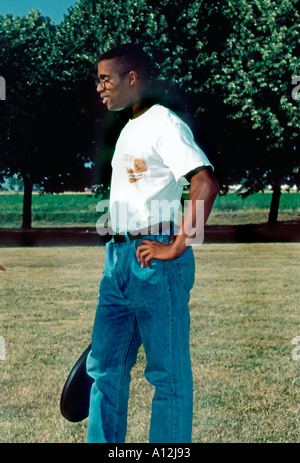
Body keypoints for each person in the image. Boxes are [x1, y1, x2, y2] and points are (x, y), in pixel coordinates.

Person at [86, 43, 219, 443]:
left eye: (105, 80)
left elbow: (204, 182)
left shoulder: (165, 124)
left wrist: (177, 245)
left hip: (155, 259)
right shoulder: (129, 127)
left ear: (132, 78)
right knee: (104, 369)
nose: (99, 88)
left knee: (167, 376)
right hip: (120, 261)